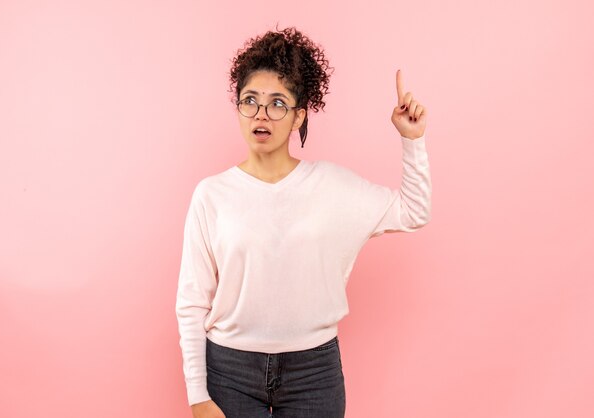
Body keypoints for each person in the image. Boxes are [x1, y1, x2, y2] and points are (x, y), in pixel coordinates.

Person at [176, 25, 431, 418]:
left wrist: (412, 140)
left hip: (314, 372)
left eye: (278, 103)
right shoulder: (211, 195)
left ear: (299, 116)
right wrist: (198, 395)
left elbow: (413, 211)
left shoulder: (332, 186)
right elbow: (192, 302)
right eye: (251, 101)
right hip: (229, 371)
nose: (262, 114)